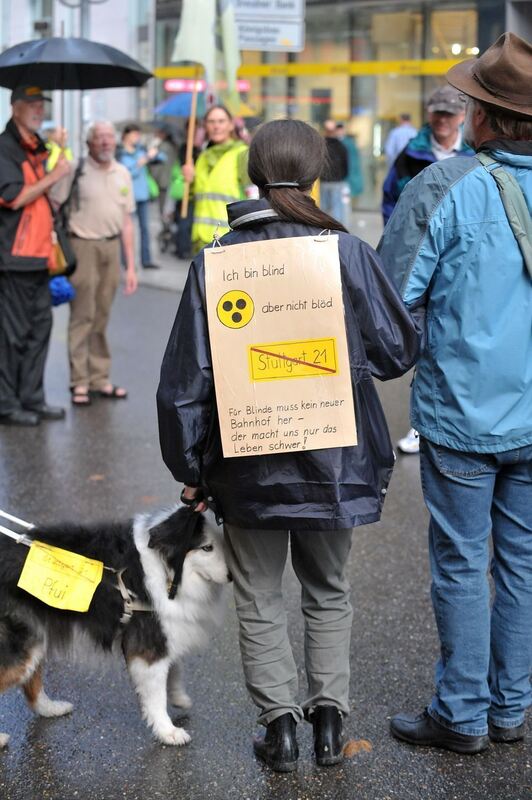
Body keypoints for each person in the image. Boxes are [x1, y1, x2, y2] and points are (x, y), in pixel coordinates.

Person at [157, 119, 420, 771]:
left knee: (259, 594)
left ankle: (278, 730)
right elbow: (395, 353)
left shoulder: (217, 261)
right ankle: (329, 724)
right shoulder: (348, 254)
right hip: (335, 464)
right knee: (329, 589)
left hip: (246, 465)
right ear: (316, 177)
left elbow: (184, 385)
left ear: (252, 174)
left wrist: (191, 471)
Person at [378, 32, 532, 754]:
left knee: (463, 562)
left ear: (486, 118)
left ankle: (463, 714)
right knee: (525, 563)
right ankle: (511, 710)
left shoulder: (445, 185)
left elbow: (391, 302)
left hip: (464, 413)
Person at [382, 86, 474, 455]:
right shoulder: (411, 154)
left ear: (463, 117)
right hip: (420, 258)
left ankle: (458, 418)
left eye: (449, 114)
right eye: (437, 112)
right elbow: (391, 201)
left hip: (460, 258)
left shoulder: (475, 154)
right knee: (425, 339)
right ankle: (422, 424)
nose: (442, 120)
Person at [0, 85, 71, 427]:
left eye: (41, 104)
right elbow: (13, 198)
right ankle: (7, 403)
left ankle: (32, 398)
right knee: (12, 335)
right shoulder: (5, 148)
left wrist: (58, 160)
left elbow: (49, 197)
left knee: (39, 331)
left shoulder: (38, 148)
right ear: (15, 108)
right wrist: (52, 176)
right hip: (14, 258)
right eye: (31, 104)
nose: (39, 110)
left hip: (40, 256)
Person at [56, 121, 138, 406]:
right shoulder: (75, 171)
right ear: (89, 142)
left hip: (112, 247)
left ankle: (99, 379)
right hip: (82, 246)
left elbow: (127, 222)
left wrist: (131, 266)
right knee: (82, 315)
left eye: (109, 137)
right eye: (99, 137)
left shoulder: (123, 173)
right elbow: (55, 205)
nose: (105, 142)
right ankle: (79, 381)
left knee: (102, 316)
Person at [181, 105, 249, 254]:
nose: (216, 126)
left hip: (229, 242)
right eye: (211, 121)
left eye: (221, 121)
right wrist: (189, 180)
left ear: (231, 125)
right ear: (205, 126)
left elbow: (253, 198)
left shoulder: (242, 155)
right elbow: (195, 197)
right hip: (201, 241)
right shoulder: (203, 157)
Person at [118, 123, 162, 270]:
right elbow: (127, 173)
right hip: (128, 197)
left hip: (143, 195)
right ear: (126, 135)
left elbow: (161, 158)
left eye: (138, 135)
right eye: (134, 134)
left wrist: (153, 152)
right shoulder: (120, 154)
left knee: (145, 229)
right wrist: (141, 161)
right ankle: (126, 261)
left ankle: (146, 259)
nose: (137, 137)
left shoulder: (140, 150)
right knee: (127, 229)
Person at [319, 119, 350, 230]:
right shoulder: (341, 146)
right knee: (338, 208)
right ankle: (337, 230)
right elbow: (346, 165)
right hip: (338, 181)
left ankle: (324, 229)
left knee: (324, 208)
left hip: (324, 181)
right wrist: (343, 176)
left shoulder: (321, 146)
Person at [336, 122, 364, 202]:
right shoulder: (333, 141)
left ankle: (345, 209)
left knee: (345, 195)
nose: (339, 132)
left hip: (347, 173)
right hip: (337, 175)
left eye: (341, 130)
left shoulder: (349, 143)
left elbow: (354, 160)